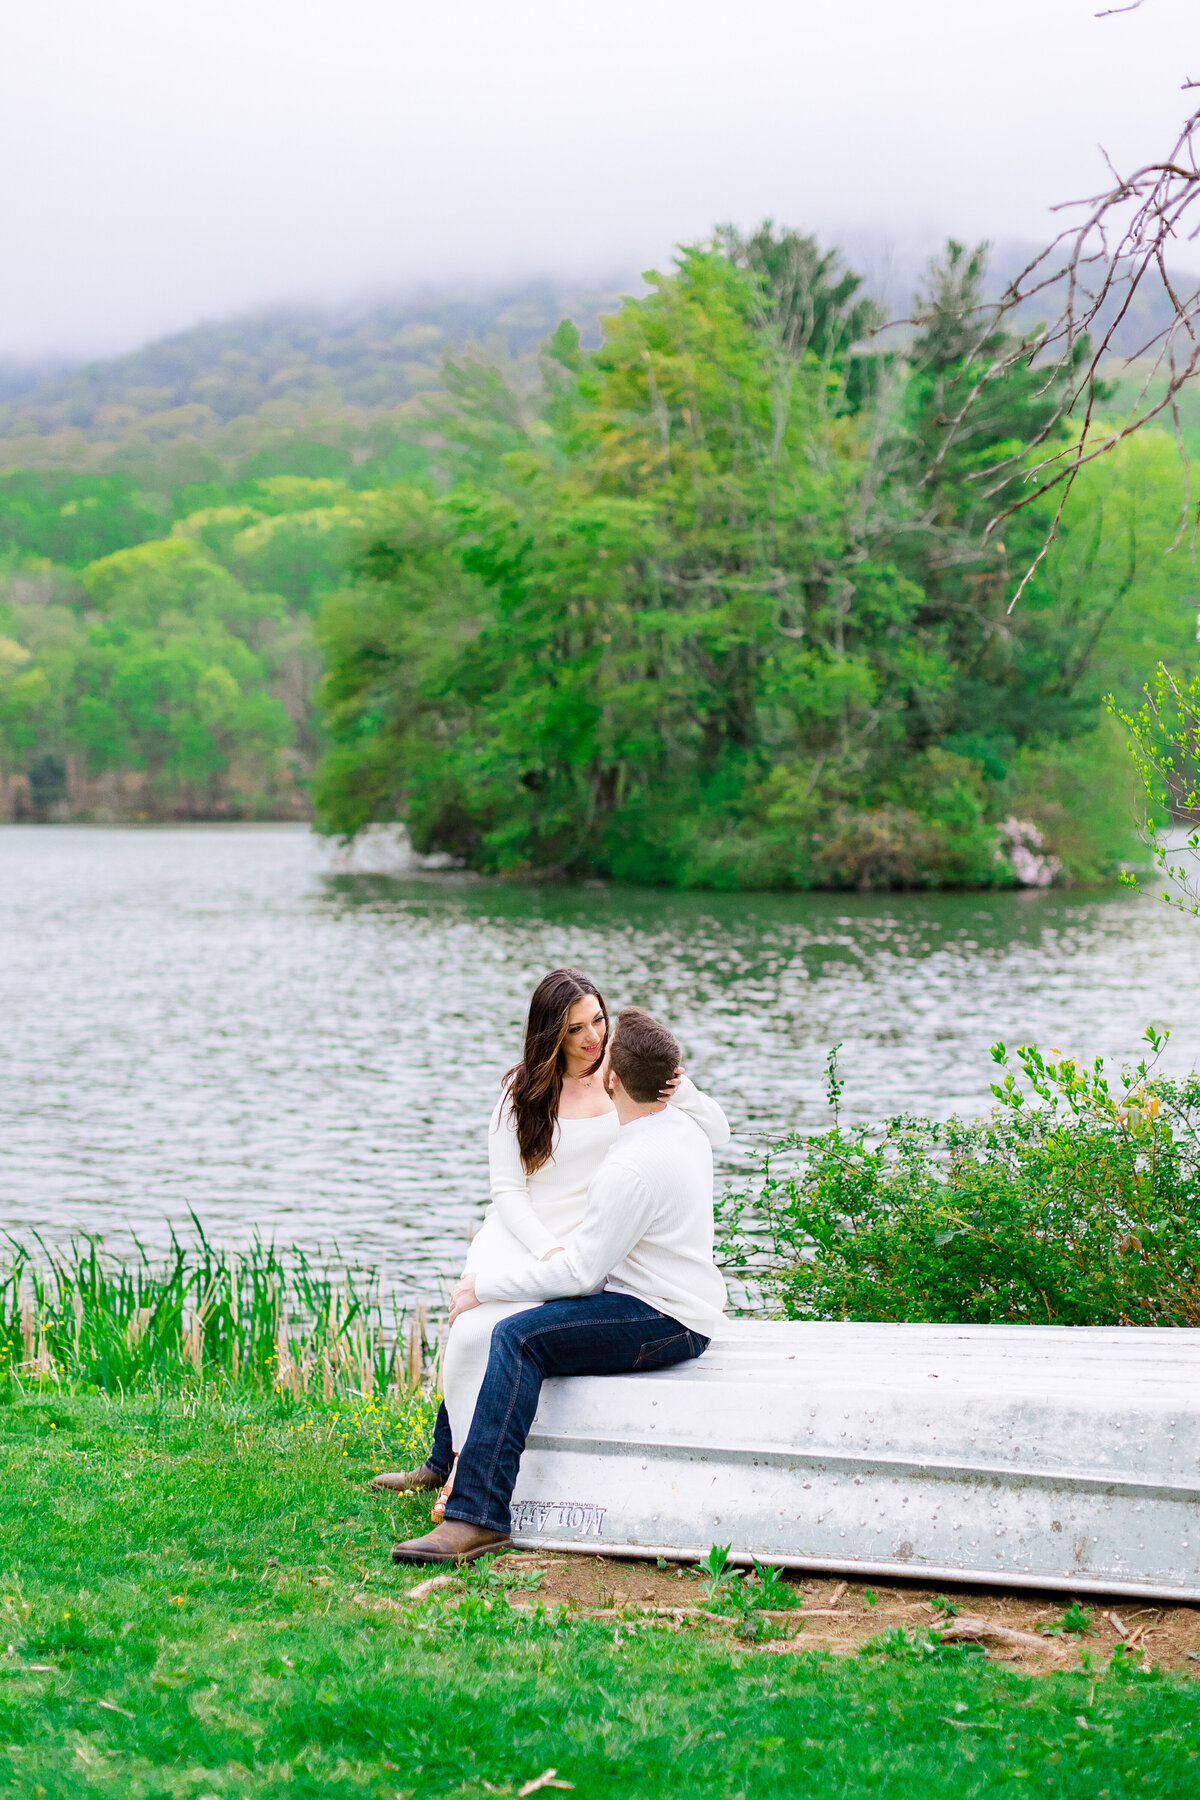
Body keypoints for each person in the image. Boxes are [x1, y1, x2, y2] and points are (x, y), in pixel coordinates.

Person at [371, 971, 728, 1510]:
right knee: (468, 1331)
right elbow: (507, 1190)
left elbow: (715, 1133)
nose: (593, 1038)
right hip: (526, 1230)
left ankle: (460, 1470)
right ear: (551, 1035)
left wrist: (688, 1090)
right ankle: (447, 1460)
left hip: (593, 1233)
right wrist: (544, 1249)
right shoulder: (523, 1092)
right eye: (576, 1029)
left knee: (502, 1332)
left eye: (599, 1021)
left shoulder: (623, 1077)